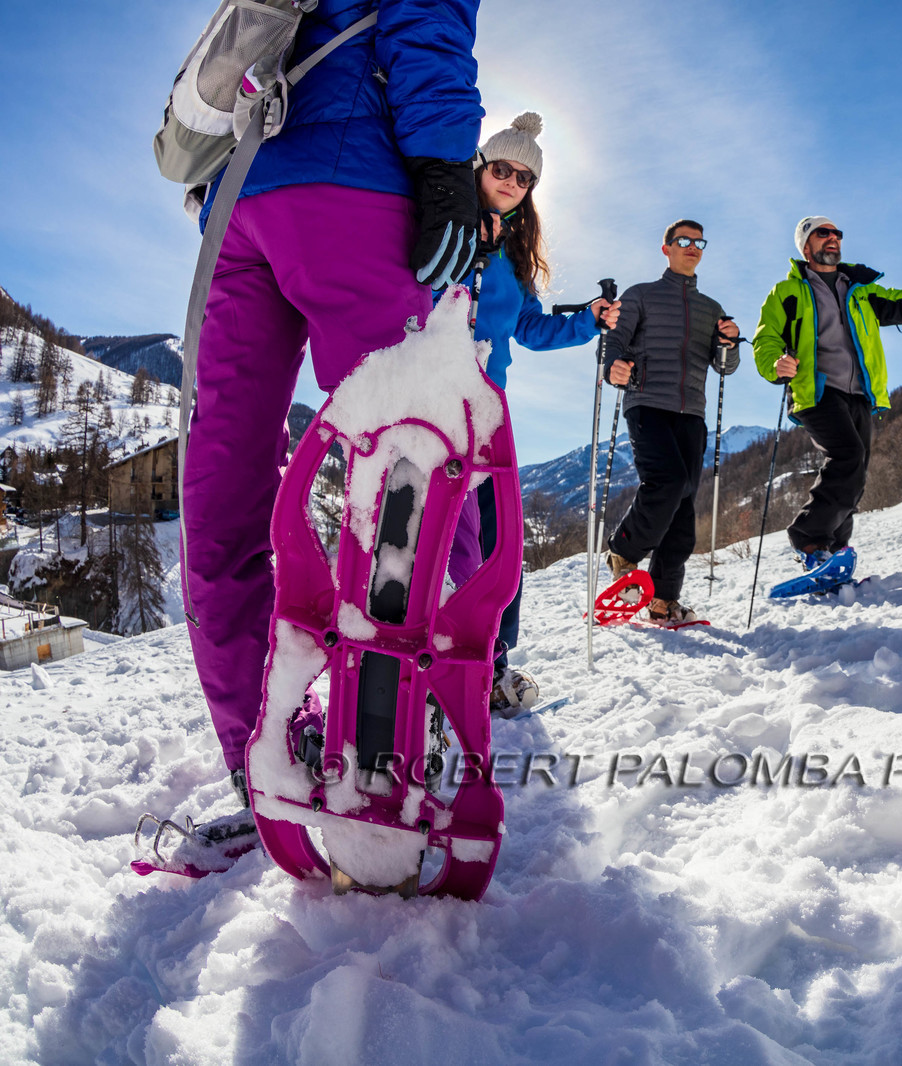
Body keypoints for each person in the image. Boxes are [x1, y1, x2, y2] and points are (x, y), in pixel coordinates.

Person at [182, 0, 482, 810]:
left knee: (223, 483)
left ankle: (263, 757)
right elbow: (426, 13)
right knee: (418, 461)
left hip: (237, 199)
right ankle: (400, 749)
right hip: (354, 180)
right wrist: (444, 161)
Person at [461, 112, 620, 711]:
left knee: (501, 541)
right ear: (480, 166)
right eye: (501, 168)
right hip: (430, 395)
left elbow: (529, 328)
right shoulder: (443, 229)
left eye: (524, 177)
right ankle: (438, 659)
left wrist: (590, 319)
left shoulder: (513, 254)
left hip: (490, 409)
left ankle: (493, 664)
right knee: (450, 540)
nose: (511, 181)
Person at [750, 217, 902, 575]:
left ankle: (833, 554)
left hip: (859, 393)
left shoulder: (860, 289)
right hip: (816, 390)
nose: (833, 239)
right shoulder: (787, 292)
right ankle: (808, 537)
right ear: (805, 246)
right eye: (823, 234)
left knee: (856, 470)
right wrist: (775, 363)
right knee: (848, 456)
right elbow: (766, 339)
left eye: (837, 234)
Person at [601, 221, 740, 625]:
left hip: (692, 413)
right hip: (647, 402)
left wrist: (729, 342)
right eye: (683, 240)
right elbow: (615, 338)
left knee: (682, 511)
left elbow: (725, 367)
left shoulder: (712, 309)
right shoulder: (641, 294)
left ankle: (664, 600)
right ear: (666, 248)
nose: (692, 247)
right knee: (668, 482)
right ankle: (624, 550)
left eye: (699, 242)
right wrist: (614, 368)